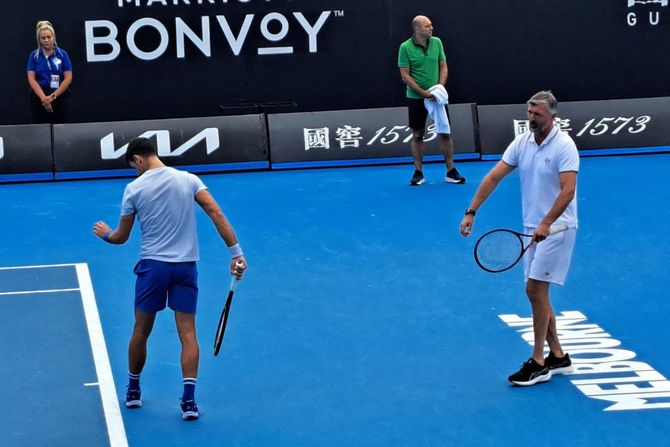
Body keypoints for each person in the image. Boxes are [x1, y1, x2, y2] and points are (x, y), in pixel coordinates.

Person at [92, 137, 247, 420]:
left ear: (138, 159)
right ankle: (189, 402)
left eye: (133, 166)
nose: (134, 172)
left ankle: (134, 391)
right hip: (186, 267)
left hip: (153, 269)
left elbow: (120, 237)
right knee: (188, 334)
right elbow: (215, 212)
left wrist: (104, 233)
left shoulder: (134, 189)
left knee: (141, 330)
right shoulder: (189, 180)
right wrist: (235, 253)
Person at [459, 91, 578, 386]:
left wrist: (547, 222)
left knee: (535, 291)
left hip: (558, 229)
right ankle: (559, 356)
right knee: (537, 293)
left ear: (552, 117)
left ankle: (539, 361)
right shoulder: (522, 142)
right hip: (532, 228)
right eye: (529, 113)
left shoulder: (565, 146)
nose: (532, 119)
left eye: (538, 115)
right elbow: (493, 177)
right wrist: (471, 211)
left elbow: (568, 192)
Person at [397, 15, 465, 186]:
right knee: (418, 134)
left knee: (445, 132)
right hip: (416, 97)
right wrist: (423, 93)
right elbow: (405, 75)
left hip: (437, 96)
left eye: (431, 25)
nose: (431, 28)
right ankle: (418, 172)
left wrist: (438, 89)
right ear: (417, 29)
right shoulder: (405, 47)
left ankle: (451, 171)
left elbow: (443, 65)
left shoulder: (437, 42)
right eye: (427, 26)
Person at [26, 20, 72, 123]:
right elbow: (31, 79)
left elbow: (68, 78)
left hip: (58, 95)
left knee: (61, 128)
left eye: (49, 37)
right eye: (43, 38)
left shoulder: (63, 54)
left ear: (53, 37)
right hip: (40, 97)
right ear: (39, 40)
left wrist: (52, 97)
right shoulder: (34, 56)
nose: (46, 40)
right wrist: (44, 99)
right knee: (41, 130)